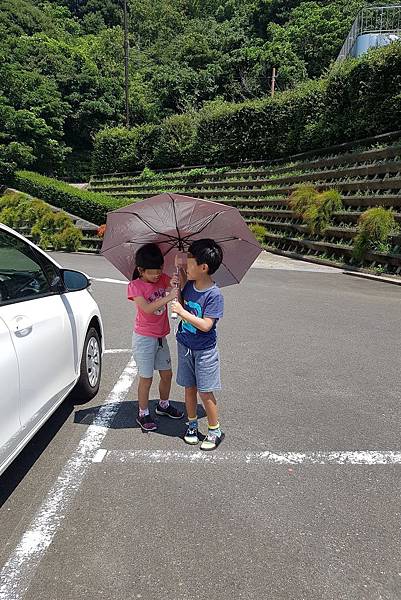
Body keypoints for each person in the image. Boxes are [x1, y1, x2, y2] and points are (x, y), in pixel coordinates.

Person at [171, 239, 224, 451]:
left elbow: (206, 325)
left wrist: (183, 313)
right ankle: (192, 424)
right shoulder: (190, 285)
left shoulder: (214, 295)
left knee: (205, 391)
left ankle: (214, 430)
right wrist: (178, 273)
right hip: (185, 346)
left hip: (204, 351)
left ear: (203, 267)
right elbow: (182, 296)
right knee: (189, 388)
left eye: (190, 263)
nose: (186, 266)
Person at [128, 243, 184, 431]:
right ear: (140, 270)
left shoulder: (162, 279)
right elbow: (147, 308)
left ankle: (163, 405)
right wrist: (169, 297)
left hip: (161, 337)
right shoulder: (135, 286)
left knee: (167, 374)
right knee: (146, 378)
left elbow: (175, 284)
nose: (157, 275)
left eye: (159, 270)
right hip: (144, 338)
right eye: (152, 272)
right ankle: (142, 413)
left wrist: (177, 276)